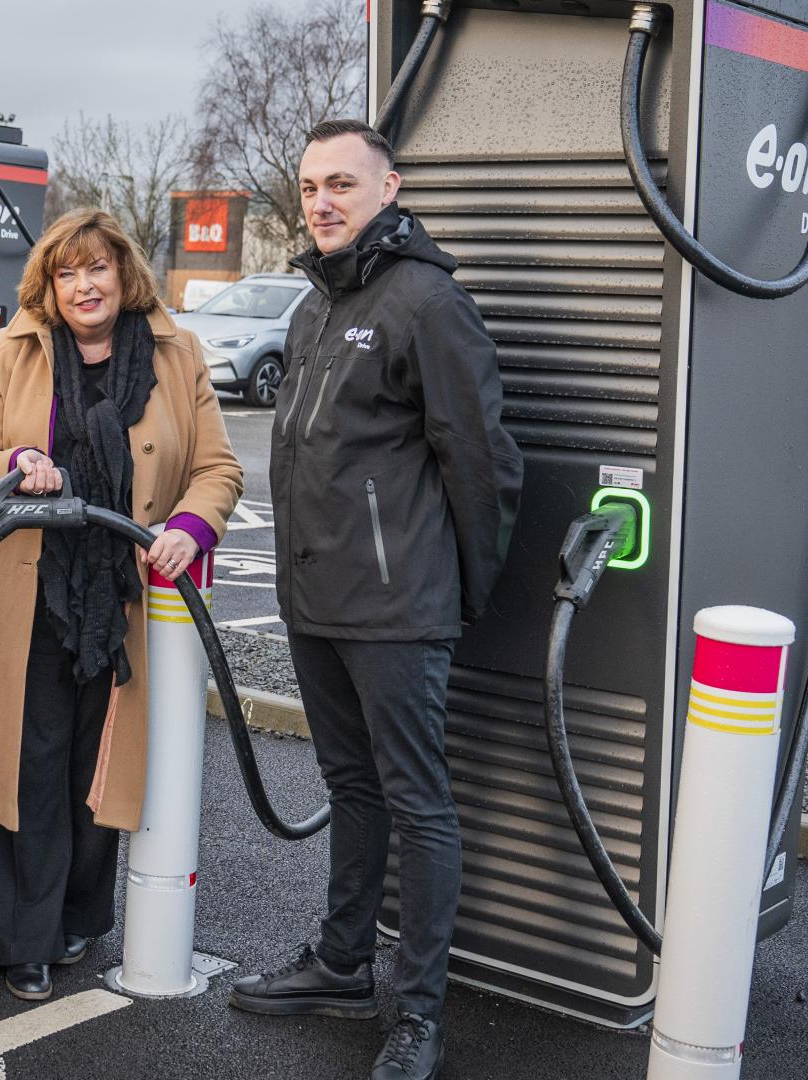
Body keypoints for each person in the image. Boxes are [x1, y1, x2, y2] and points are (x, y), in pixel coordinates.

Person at [229, 119, 523, 1080]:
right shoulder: (315, 306)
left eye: (343, 185)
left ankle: (419, 1013)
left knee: (419, 805)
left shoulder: (426, 302)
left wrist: (460, 589)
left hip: (399, 610)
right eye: (312, 185)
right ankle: (343, 965)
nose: (322, 201)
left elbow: (482, 461)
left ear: (389, 188)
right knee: (352, 791)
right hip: (317, 601)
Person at [0, 208, 243, 1001]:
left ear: (122, 272)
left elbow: (217, 469)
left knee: (99, 769)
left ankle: (76, 920)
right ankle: (21, 940)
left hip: (126, 595)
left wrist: (189, 527)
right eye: (66, 273)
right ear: (48, 284)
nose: (83, 285)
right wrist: (19, 458)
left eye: (96, 268)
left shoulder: (178, 353)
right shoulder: (8, 349)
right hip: (28, 589)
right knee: (29, 763)